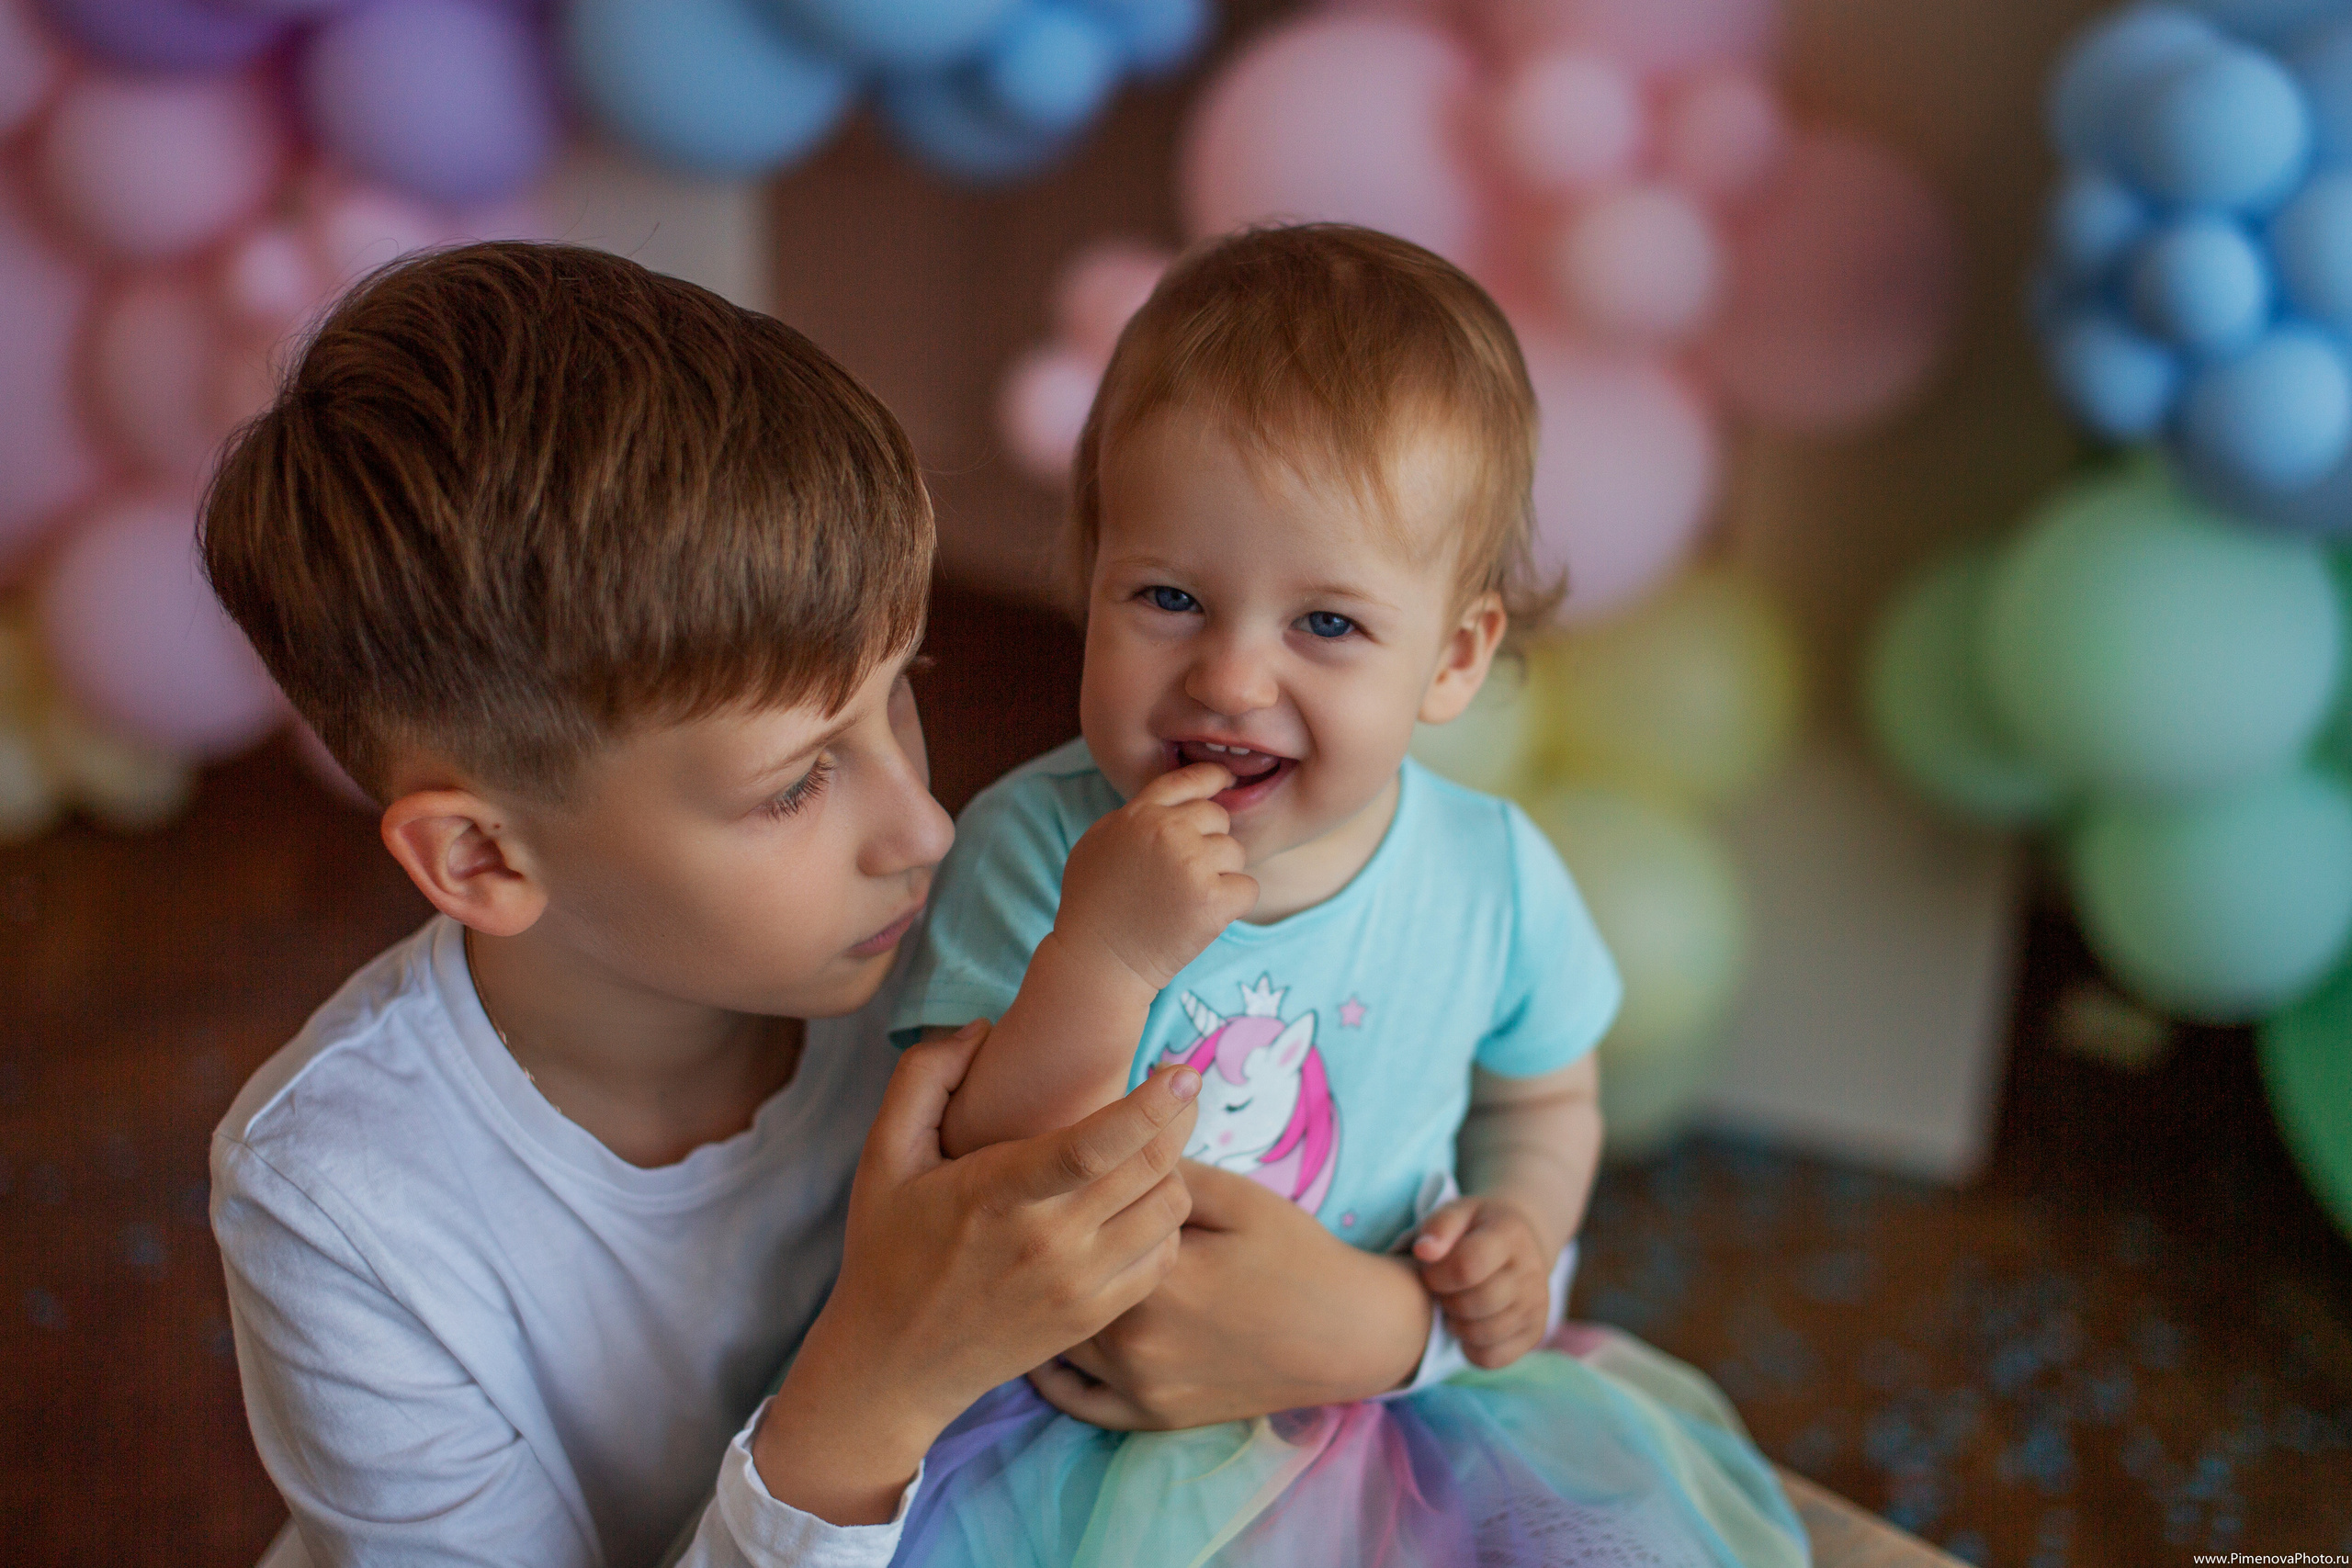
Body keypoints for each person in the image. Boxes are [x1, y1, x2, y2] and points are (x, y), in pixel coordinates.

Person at [200, 243, 1457, 1568]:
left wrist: (1381, 1328)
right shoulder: (340, 1206)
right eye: (797, 783)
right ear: (482, 862)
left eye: (901, 690)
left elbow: (1396, 1161)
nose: (924, 826)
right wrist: (881, 1379)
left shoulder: (1003, 930)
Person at [888, 224, 1811, 1566]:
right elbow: (966, 1175)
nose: (1231, 678)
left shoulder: (1490, 878)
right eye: (1168, 596)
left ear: (1453, 657)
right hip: (1054, 1425)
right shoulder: (1034, 849)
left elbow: (1545, 1092)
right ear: (1085, 583)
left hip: (1372, 1407)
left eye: (1325, 623)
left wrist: (1520, 1226)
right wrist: (1103, 955)